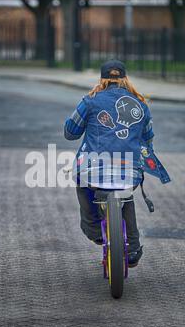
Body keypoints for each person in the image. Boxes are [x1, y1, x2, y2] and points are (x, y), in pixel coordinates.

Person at [64, 60, 170, 268]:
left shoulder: (90, 101)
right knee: (126, 194)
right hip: (129, 170)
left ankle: (94, 231)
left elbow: (70, 133)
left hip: (94, 169)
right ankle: (133, 247)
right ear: (124, 79)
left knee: (82, 183)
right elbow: (148, 139)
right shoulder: (140, 103)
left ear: (102, 79)